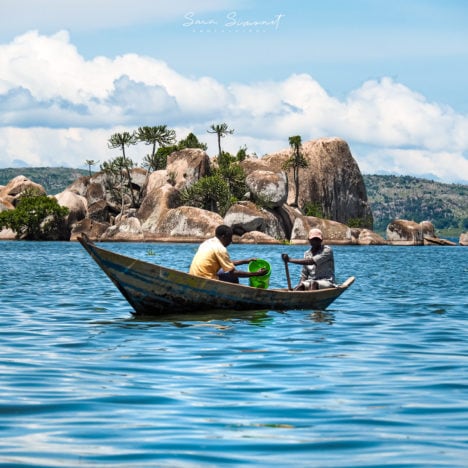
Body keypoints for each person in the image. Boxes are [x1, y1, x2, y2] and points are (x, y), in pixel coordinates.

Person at [189, 225, 267, 283]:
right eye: (230, 238)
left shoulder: (207, 243)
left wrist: (245, 261)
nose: (231, 241)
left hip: (194, 277)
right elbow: (233, 273)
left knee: (223, 271)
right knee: (232, 277)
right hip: (206, 279)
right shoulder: (220, 248)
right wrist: (256, 274)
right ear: (223, 237)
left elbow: (226, 263)